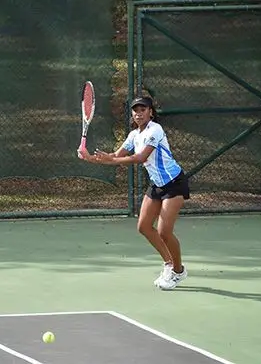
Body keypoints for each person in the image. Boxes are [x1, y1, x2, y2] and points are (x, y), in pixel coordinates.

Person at [77, 96, 189, 290]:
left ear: (150, 112)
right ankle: (169, 265)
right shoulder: (133, 135)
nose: (139, 113)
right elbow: (114, 156)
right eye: (135, 110)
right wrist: (90, 158)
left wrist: (110, 161)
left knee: (164, 231)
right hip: (156, 184)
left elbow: (140, 157)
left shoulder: (156, 130)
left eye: (143, 109)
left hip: (174, 183)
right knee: (144, 227)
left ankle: (179, 271)